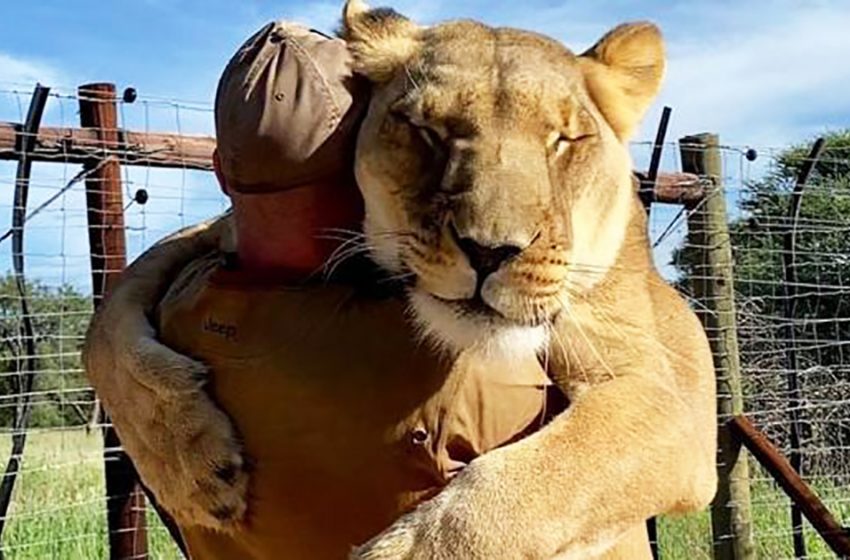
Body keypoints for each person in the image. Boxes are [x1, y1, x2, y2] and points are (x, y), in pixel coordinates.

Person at [84, 21, 561, 559]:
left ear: (219, 171)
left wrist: (110, 327)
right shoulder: (455, 348)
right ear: (370, 163)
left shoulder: (169, 328)